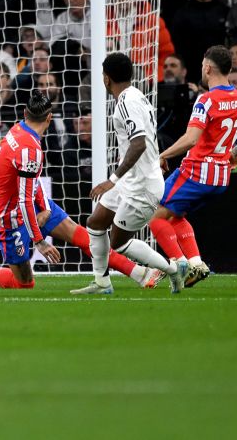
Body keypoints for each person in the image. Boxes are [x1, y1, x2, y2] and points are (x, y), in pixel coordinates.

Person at [72, 53, 182, 296]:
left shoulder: (125, 103)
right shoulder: (137, 96)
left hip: (141, 184)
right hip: (133, 178)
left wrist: (112, 180)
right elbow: (146, 139)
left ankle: (174, 268)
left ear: (106, 78)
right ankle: (101, 282)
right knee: (95, 223)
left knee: (119, 243)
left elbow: (139, 143)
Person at [151, 46, 237, 288]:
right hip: (220, 179)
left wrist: (162, 155)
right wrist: (231, 153)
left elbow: (191, 139)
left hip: (196, 171)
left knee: (155, 215)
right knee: (175, 214)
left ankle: (177, 263)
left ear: (207, 68)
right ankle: (197, 263)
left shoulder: (206, 100)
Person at [0, 91, 62, 290]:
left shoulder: (18, 130)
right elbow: (25, 198)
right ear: (49, 117)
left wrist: (45, 205)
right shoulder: (29, 148)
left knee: (78, 232)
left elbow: (32, 180)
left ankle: (126, 273)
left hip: (20, 207)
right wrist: (40, 242)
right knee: (25, 283)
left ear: (25, 113)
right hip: (8, 216)